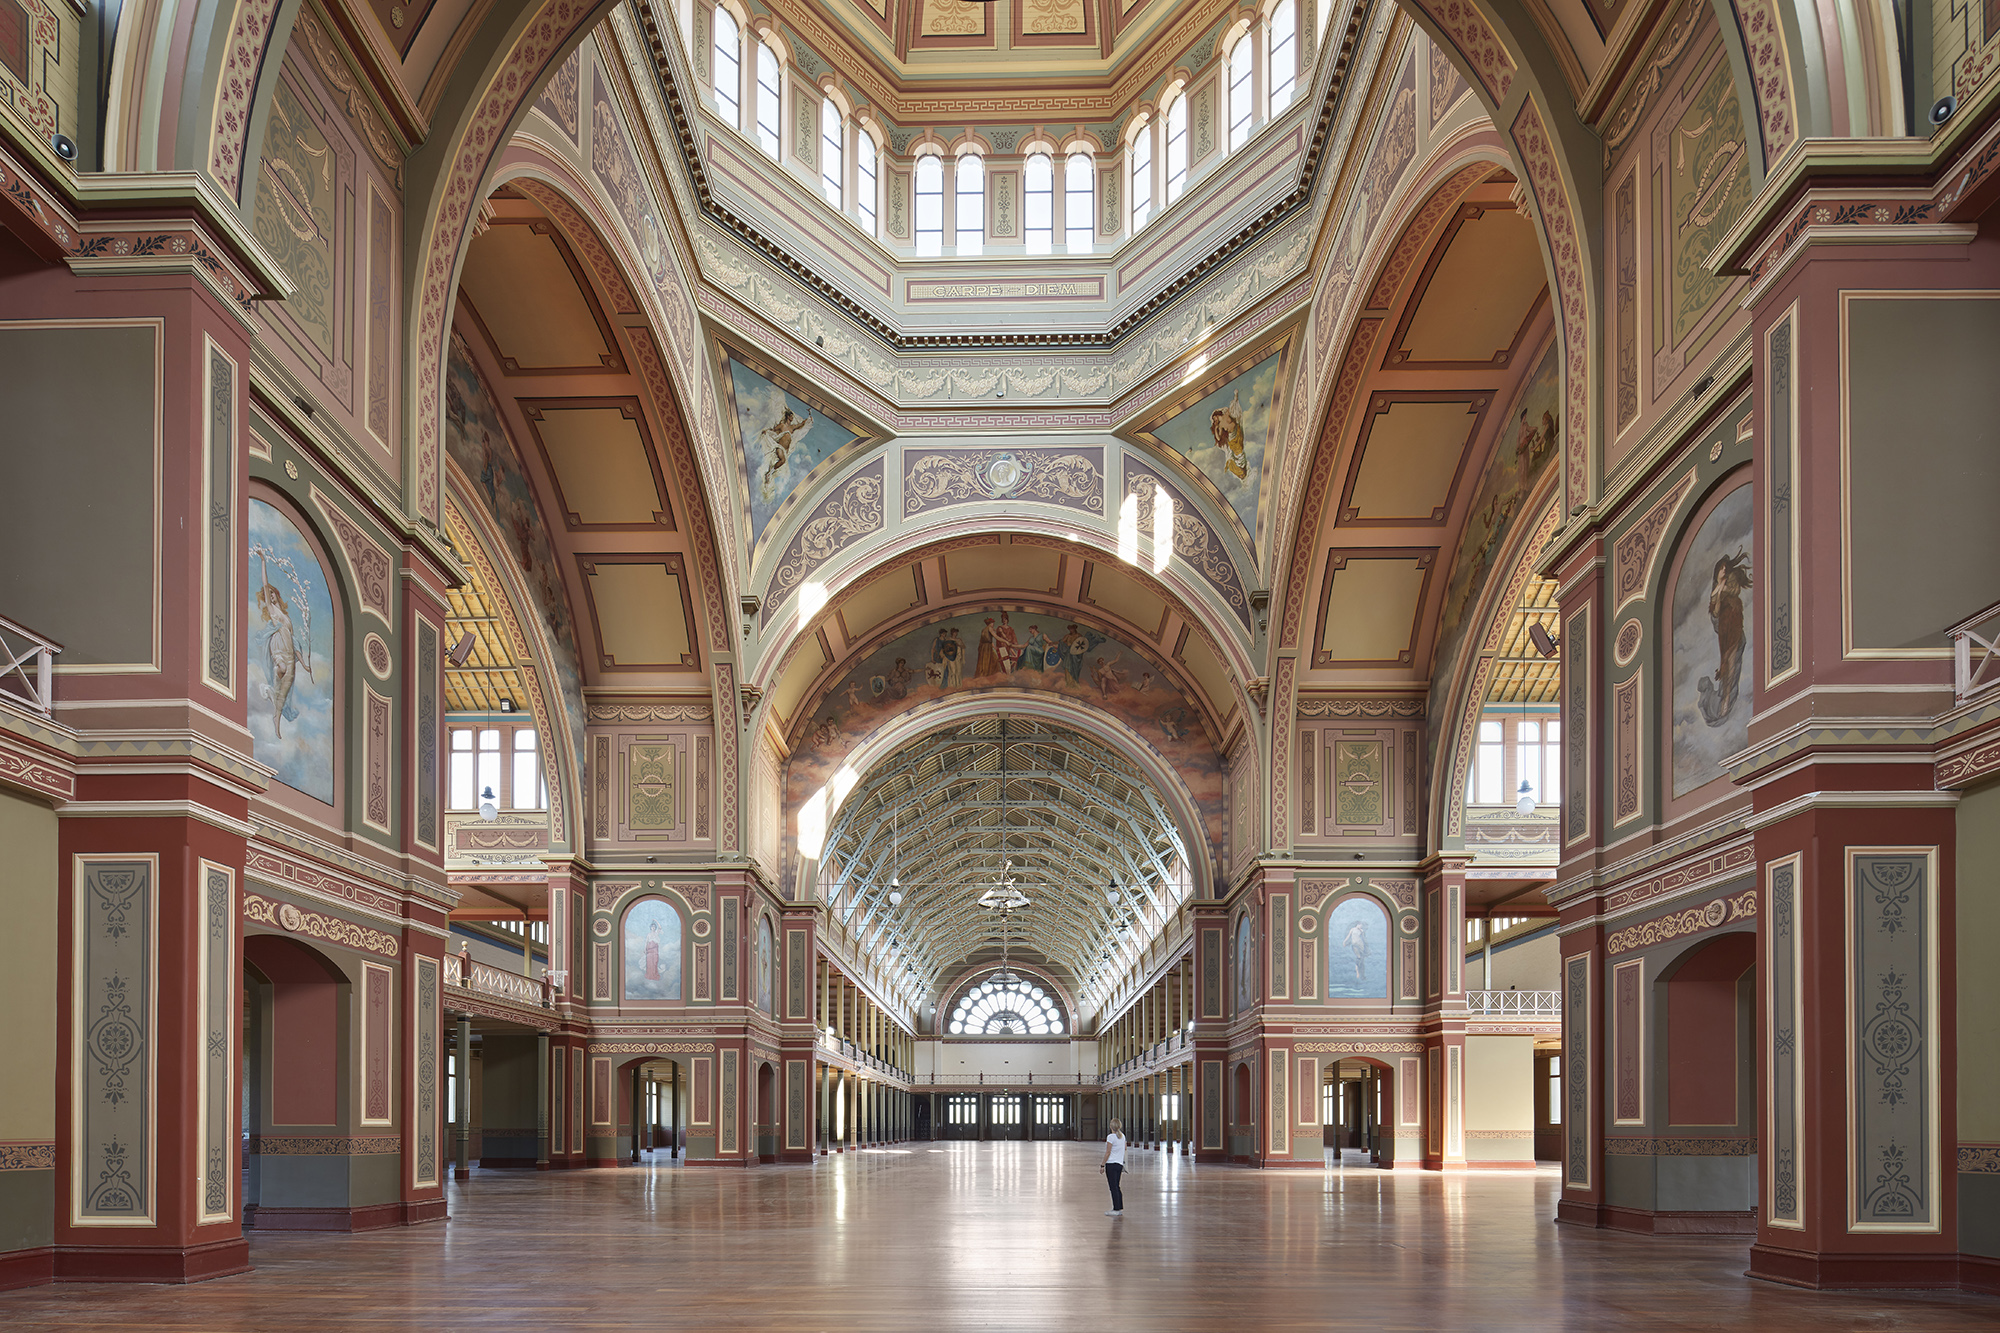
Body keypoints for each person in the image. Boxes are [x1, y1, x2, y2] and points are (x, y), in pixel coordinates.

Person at [1101, 1117, 1127, 1216]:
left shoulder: (1111, 1137)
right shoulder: (1122, 1136)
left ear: (1111, 1126)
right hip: (1119, 1164)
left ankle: (1116, 1209)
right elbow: (1125, 1148)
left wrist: (1102, 1164)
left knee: (1113, 1187)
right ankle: (1119, 1208)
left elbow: (1108, 1152)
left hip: (1111, 1164)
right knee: (1117, 1186)